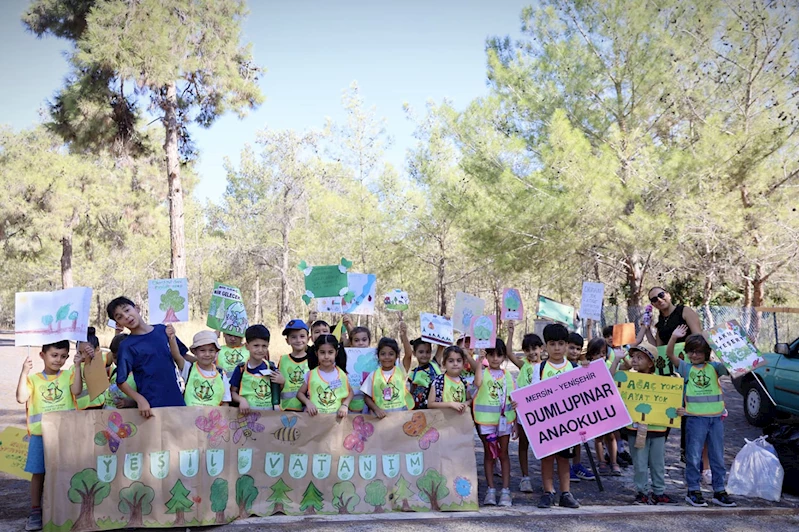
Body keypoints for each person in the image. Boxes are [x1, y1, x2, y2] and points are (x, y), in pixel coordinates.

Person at [668, 325, 737, 507]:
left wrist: (744, 346)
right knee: (693, 455)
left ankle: (719, 491)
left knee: (717, 456)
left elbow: (733, 364)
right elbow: (670, 355)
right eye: (691, 352)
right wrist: (674, 337)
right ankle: (693, 490)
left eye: (698, 352)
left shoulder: (715, 368)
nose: (694, 356)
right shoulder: (686, 368)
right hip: (695, 418)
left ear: (707, 352)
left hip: (716, 419)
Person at [16, 340, 74, 531]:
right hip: (40, 435)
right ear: (42, 355)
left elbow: (78, 391)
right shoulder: (33, 379)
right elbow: (21, 397)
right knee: (39, 473)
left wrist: (80, 365)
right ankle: (35, 511)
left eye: (64, 356)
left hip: (64, 434)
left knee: (64, 471)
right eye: (54, 355)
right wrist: (24, 372)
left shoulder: (68, 375)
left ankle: (64, 509)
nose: (59, 360)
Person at [611, 342, 678, 504]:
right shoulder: (627, 378)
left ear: (651, 362)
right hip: (636, 429)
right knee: (639, 463)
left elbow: (671, 401)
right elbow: (609, 379)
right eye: (633, 356)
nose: (634, 360)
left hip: (658, 428)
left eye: (640, 357)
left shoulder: (663, 381)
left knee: (658, 463)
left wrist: (678, 409)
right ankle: (642, 492)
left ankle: (659, 492)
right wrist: (617, 360)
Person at [107, 296, 187, 417]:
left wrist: (209, 365)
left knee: (180, 434)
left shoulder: (162, 330)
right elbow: (121, 381)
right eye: (120, 317)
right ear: (118, 324)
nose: (126, 316)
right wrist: (140, 400)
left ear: (137, 309)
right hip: (151, 405)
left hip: (175, 398)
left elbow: (182, 356)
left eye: (127, 310)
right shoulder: (126, 346)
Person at [533, 323, 580, 509]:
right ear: (545, 346)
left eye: (561, 343)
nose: (557, 348)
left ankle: (566, 493)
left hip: (568, 423)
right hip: (546, 422)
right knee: (547, 458)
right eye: (552, 344)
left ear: (567, 345)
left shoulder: (575, 368)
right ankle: (548, 491)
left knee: (564, 458)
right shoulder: (540, 368)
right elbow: (533, 394)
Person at [473, 338, 517, 507]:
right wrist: (479, 362)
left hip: (504, 423)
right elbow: (477, 384)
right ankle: (491, 490)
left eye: (499, 355)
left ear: (504, 357)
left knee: (504, 454)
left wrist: (515, 418)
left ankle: (505, 491)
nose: (495, 358)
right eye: (491, 355)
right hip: (486, 422)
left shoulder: (508, 376)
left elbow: (515, 398)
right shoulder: (483, 373)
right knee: (489, 455)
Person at [505, 322, 543, 493]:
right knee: (523, 444)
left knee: (544, 445)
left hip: (542, 412)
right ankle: (525, 477)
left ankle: (546, 478)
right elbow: (508, 353)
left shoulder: (546, 367)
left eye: (534, 348)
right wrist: (511, 333)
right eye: (527, 350)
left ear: (541, 348)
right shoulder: (523, 365)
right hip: (523, 411)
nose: (531, 352)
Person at [586, 337, 622, 476]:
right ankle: (601, 461)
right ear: (590, 354)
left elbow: (610, 376)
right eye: (597, 353)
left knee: (611, 435)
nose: (600, 356)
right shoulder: (586, 367)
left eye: (603, 353)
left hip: (608, 404)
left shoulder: (608, 364)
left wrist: (617, 359)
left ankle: (614, 462)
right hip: (595, 406)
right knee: (599, 437)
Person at [229, 325, 284, 413]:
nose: (260, 350)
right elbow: (232, 392)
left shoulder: (272, 368)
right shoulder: (241, 369)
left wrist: (282, 382)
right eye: (256, 345)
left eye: (264, 346)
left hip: (267, 416)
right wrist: (241, 400)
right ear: (247, 346)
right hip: (246, 415)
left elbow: (277, 391)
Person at [297, 334, 353, 418]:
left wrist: (345, 405)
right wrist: (308, 403)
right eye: (322, 352)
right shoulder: (311, 374)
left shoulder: (342, 375)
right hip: (315, 419)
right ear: (316, 353)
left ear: (336, 353)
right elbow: (300, 393)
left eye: (330, 352)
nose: (326, 356)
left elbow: (350, 392)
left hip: (335, 420)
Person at [171, 330, 231, 406]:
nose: (207, 354)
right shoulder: (189, 369)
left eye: (211, 350)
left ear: (216, 352)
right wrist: (172, 338)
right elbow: (176, 356)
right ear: (195, 352)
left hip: (213, 417)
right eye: (202, 350)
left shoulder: (221, 374)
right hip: (189, 416)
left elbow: (225, 402)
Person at [566, 332, 596, 483]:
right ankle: (566, 468)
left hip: (577, 409)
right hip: (563, 411)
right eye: (571, 348)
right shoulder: (560, 365)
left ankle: (577, 465)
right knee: (565, 441)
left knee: (579, 438)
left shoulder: (580, 366)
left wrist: (586, 368)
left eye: (578, 349)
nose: (574, 352)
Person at [362, 337, 414, 417]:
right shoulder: (373, 375)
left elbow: (408, 355)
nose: (387, 357)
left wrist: (404, 335)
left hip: (401, 415)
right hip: (382, 417)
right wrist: (376, 409)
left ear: (397, 356)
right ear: (378, 356)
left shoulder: (401, 370)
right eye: (383, 354)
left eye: (391, 354)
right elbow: (367, 397)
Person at [402, 321, 442, 410]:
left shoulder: (435, 364)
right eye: (421, 352)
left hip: (437, 406)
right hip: (420, 409)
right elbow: (410, 392)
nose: (424, 355)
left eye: (428, 352)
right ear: (414, 353)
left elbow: (442, 345)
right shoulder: (412, 373)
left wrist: (444, 322)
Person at [278, 319, 312, 412]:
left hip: (308, 410)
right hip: (287, 409)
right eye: (293, 337)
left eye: (302, 336)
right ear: (287, 340)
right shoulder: (283, 360)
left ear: (308, 339)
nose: (298, 340)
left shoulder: (313, 360)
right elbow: (278, 386)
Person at [427, 345, 472, 413]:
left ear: (463, 364)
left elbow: (470, 400)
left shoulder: (465, 382)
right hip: (443, 420)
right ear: (444, 364)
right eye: (451, 361)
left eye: (459, 361)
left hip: (460, 420)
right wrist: (450, 404)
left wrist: (465, 404)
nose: (455, 364)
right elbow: (430, 404)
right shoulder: (438, 381)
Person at [104, 334, 136, 409]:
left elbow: (144, 399)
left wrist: (129, 403)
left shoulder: (137, 376)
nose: (117, 361)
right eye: (115, 357)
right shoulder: (114, 372)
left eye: (121, 357)